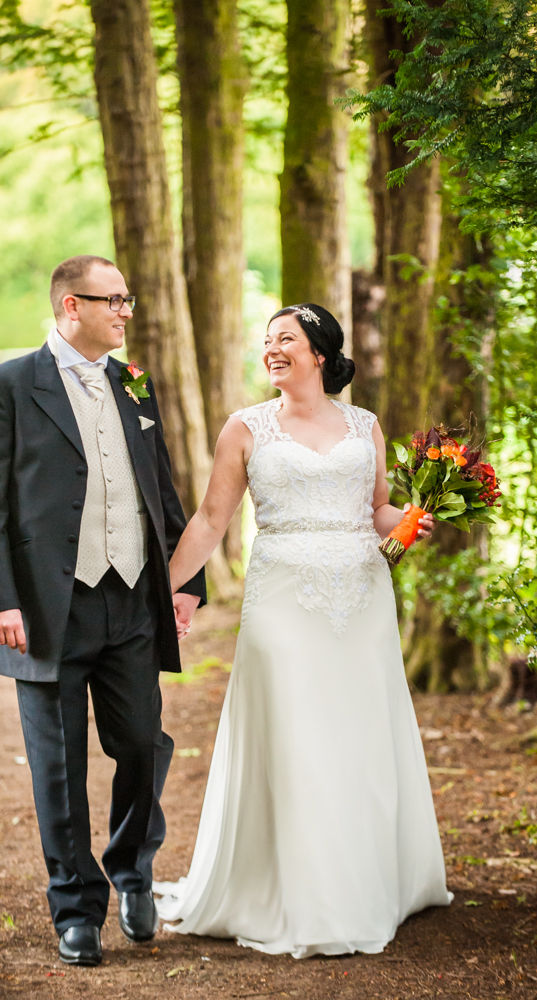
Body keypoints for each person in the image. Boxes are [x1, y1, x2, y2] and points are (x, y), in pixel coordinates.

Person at [154, 303, 452, 958]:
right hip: (281, 598)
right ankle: (297, 891)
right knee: (294, 731)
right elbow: (210, 518)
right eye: (266, 341)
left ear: (319, 352)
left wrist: (406, 521)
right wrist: (169, 589)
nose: (272, 349)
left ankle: (368, 879)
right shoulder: (244, 427)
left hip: (362, 599)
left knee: (356, 733)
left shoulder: (363, 425)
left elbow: (375, 510)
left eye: (285, 339)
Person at [0, 255, 205, 967]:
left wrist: (185, 581)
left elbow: (159, 486)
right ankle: (75, 906)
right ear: (72, 306)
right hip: (43, 608)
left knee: (140, 744)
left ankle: (132, 870)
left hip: (131, 598)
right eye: (114, 300)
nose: (126, 311)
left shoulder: (133, 383)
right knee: (58, 764)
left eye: (128, 299)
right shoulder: (7, 385)